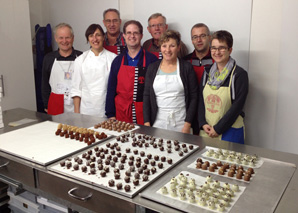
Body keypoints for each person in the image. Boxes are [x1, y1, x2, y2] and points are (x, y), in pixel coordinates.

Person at [198, 30, 249, 144]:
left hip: (229, 132)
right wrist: (203, 123)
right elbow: (201, 100)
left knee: (227, 162)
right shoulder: (207, 72)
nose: (217, 52)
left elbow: (237, 107)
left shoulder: (239, 75)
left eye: (221, 48)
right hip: (208, 131)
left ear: (230, 50)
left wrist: (218, 128)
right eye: (214, 48)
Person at [143, 30, 198, 133]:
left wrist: (187, 125)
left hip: (181, 123)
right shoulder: (152, 68)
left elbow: (194, 97)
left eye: (172, 46)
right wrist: (147, 123)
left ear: (178, 48)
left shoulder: (186, 68)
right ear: (160, 48)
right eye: (164, 46)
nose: (167, 50)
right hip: (157, 123)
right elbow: (146, 96)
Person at [105, 20, 157, 124]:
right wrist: (110, 114)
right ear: (124, 35)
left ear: (141, 35)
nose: (132, 36)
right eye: (129, 33)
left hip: (145, 114)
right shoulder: (117, 61)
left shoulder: (152, 60)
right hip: (121, 113)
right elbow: (111, 89)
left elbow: (156, 91)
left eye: (135, 33)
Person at [71, 24, 117, 117]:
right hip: (86, 111)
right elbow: (76, 90)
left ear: (104, 37)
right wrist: (76, 115)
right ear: (88, 39)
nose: (95, 39)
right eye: (91, 36)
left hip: (106, 111)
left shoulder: (113, 58)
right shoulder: (80, 60)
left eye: (98, 35)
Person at [41, 23, 82, 115]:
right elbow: (45, 84)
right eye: (61, 38)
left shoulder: (81, 57)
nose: (64, 41)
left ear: (73, 38)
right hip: (56, 103)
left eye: (67, 37)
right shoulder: (49, 58)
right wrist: (46, 104)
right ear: (56, 38)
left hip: (78, 104)